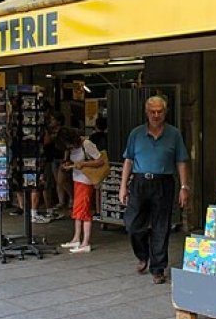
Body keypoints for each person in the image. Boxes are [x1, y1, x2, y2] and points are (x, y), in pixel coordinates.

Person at [119, 95, 190, 284]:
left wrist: (184, 186)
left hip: (164, 182)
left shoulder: (174, 134)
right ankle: (143, 254)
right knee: (132, 224)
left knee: (161, 227)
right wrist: (122, 186)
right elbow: (128, 160)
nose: (156, 115)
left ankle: (158, 268)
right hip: (140, 181)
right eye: (152, 112)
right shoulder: (136, 134)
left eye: (160, 111)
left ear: (165, 113)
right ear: (146, 112)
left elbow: (181, 161)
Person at [58, 127, 103, 253]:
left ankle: (85, 242)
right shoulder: (73, 147)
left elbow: (100, 160)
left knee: (84, 211)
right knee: (78, 210)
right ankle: (77, 238)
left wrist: (83, 164)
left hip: (85, 180)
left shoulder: (86, 144)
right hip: (77, 179)